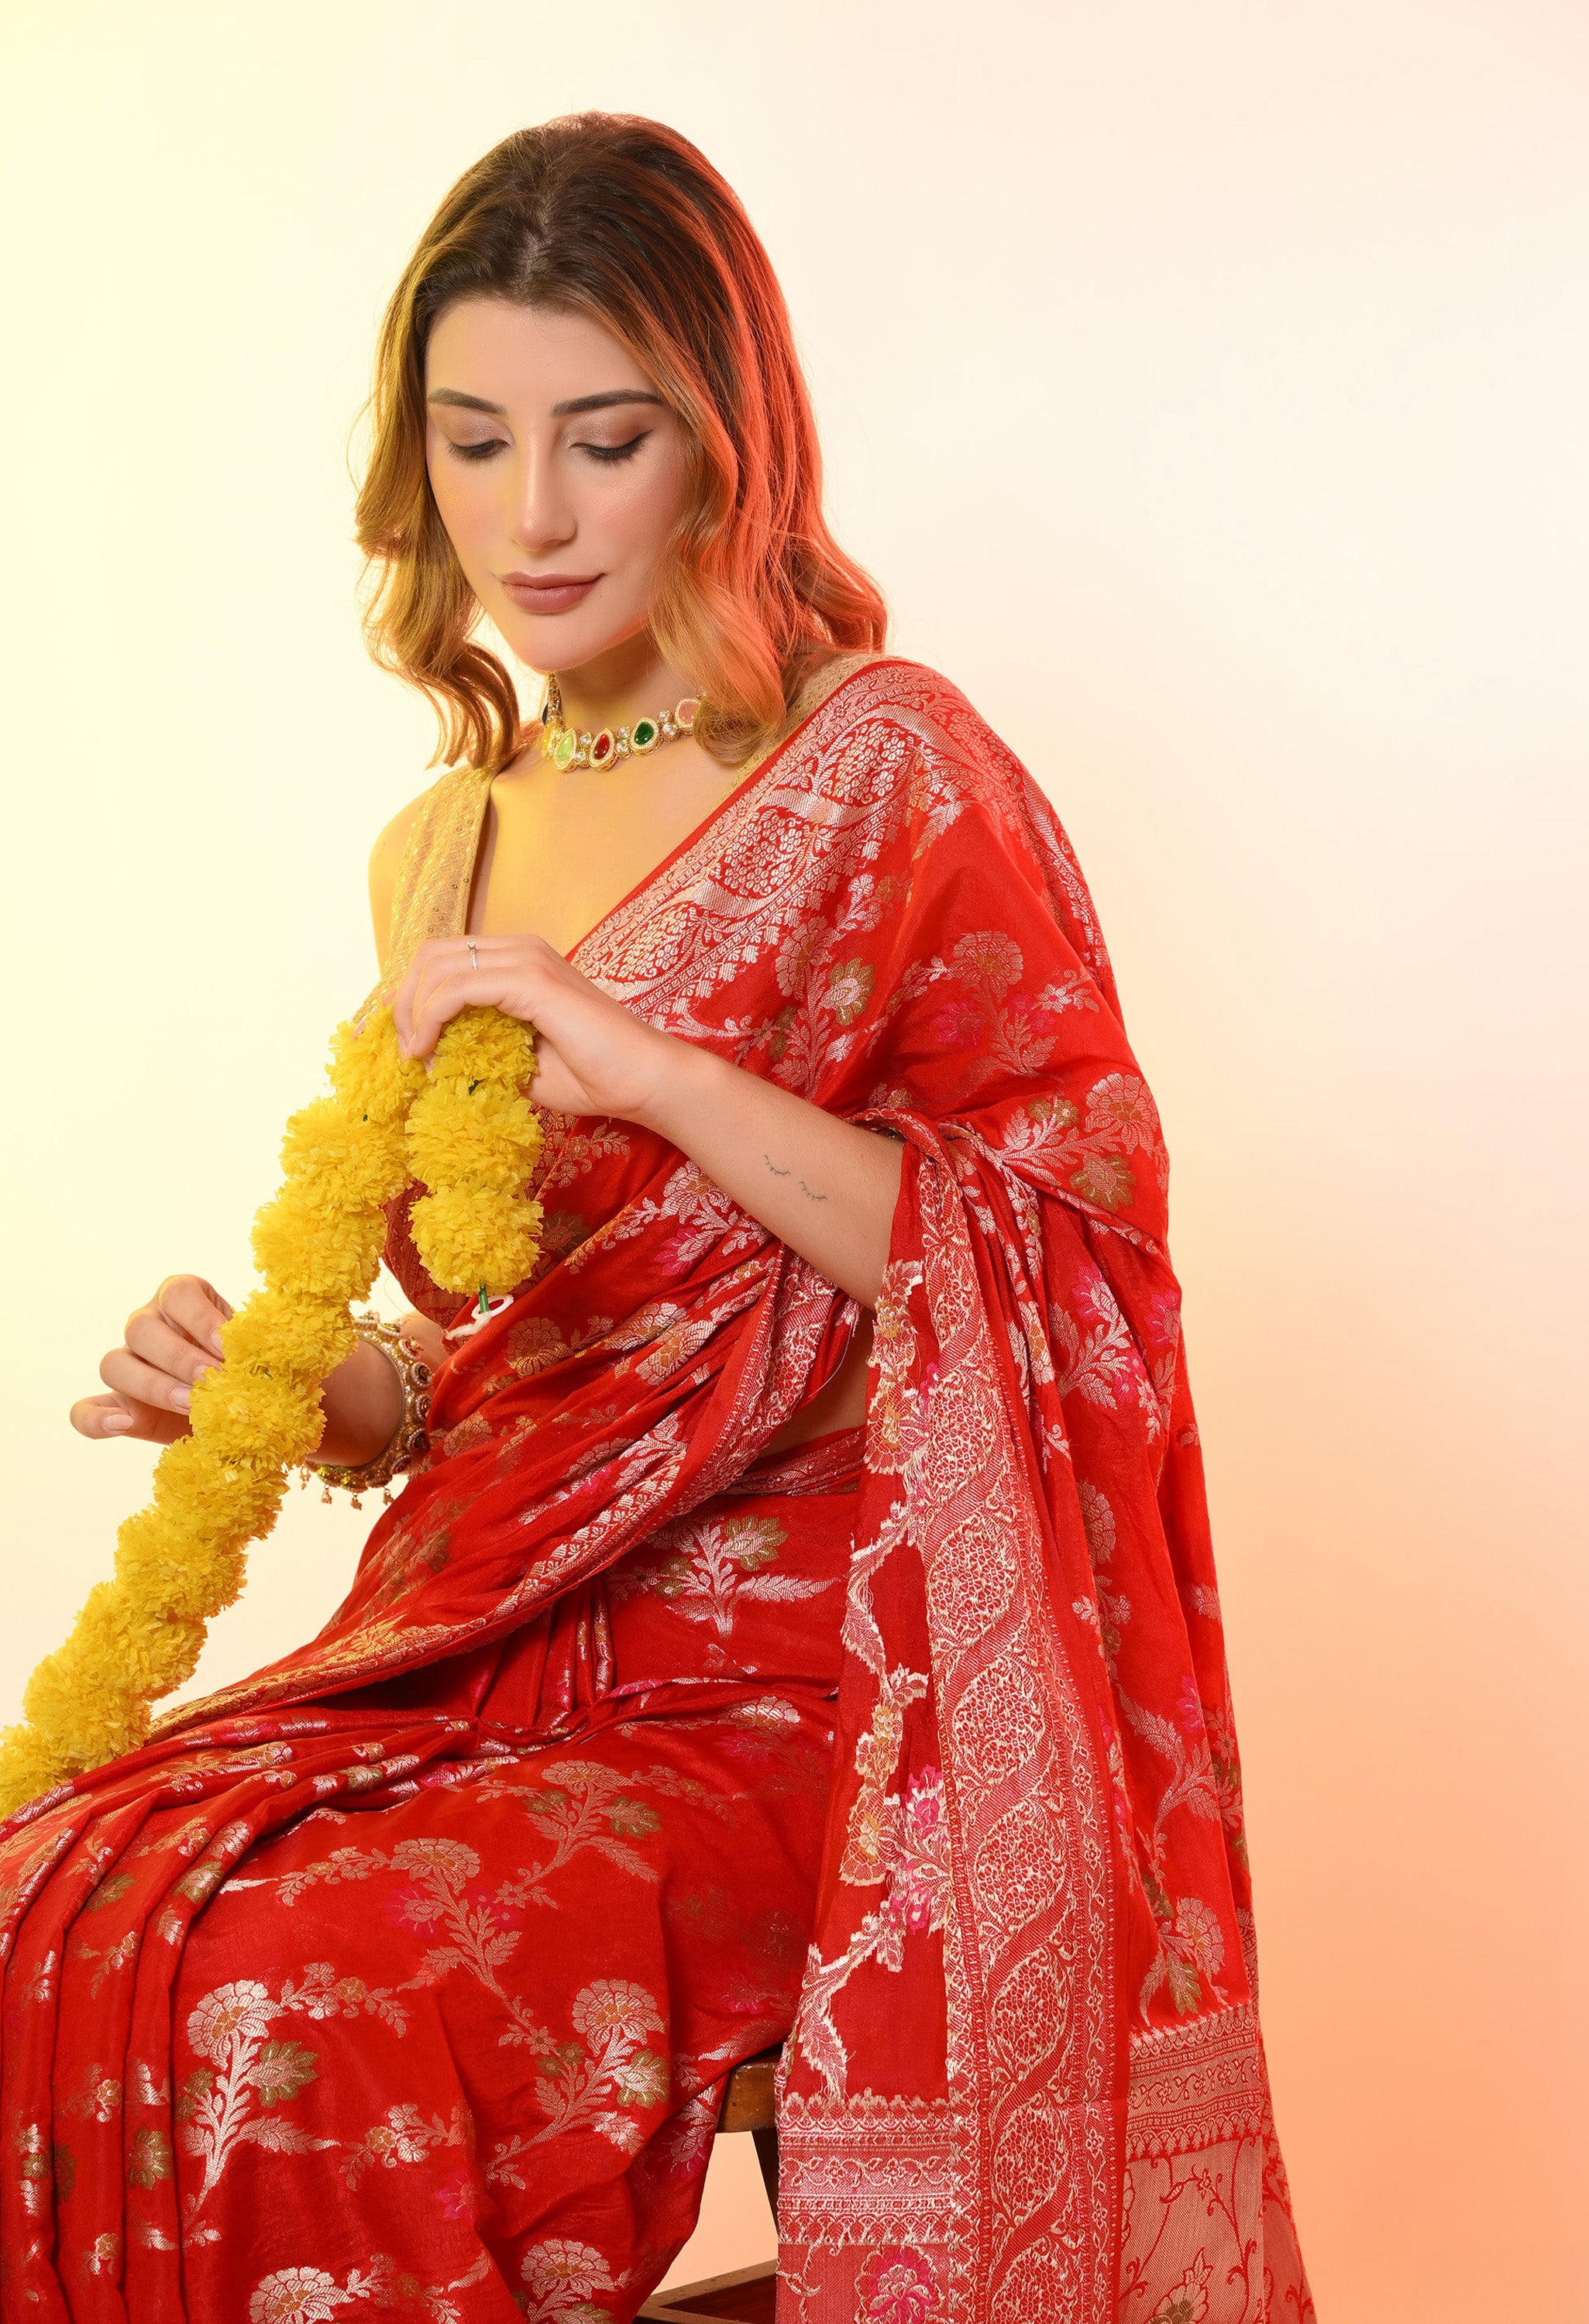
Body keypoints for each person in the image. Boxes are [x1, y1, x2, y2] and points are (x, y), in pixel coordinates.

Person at [1, 115, 1312, 2324]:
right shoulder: (441, 847)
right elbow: (526, 1341)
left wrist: (667, 1078)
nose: (529, 516)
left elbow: (1062, 1261)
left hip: (814, 1674)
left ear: (722, 448)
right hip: (485, 1641)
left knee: (306, 2003)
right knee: (54, 1902)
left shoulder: (887, 766)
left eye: (600, 440)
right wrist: (318, 1386)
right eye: (472, 440)